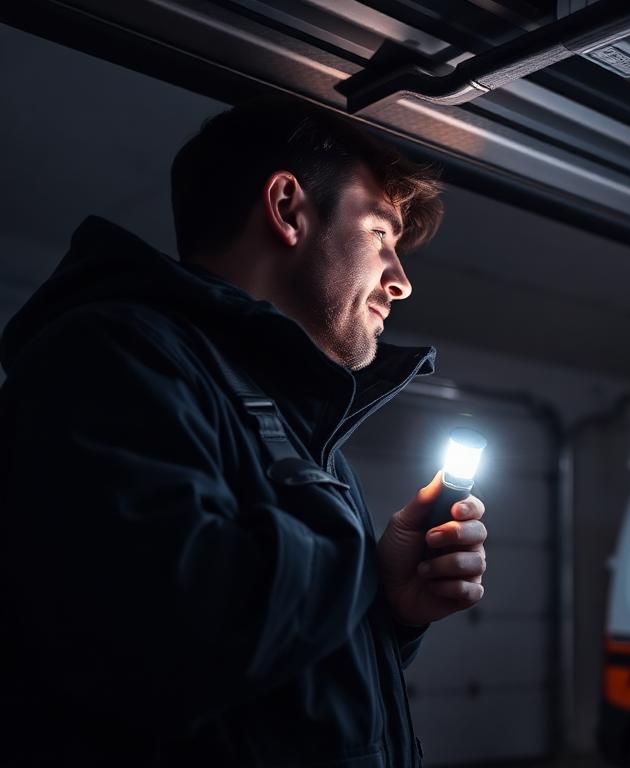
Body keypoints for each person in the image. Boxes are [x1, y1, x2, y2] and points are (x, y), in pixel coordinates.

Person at [0, 96, 487, 767]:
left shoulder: (277, 407)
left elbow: (275, 688)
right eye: (381, 235)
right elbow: (175, 641)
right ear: (288, 208)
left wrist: (389, 606)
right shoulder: (111, 360)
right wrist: (350, 556)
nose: (400, 282)